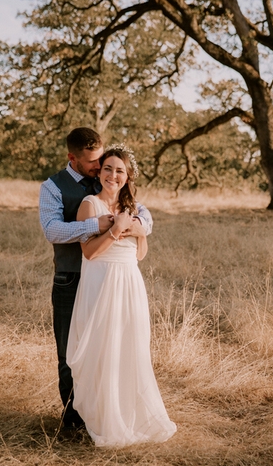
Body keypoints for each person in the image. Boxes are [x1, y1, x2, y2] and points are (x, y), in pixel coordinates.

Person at [39, 128, 153, 431]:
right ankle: (74, 420)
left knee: (109, 347)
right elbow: (52, 230)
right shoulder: (53, 187)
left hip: (112, 280)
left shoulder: (109, 178)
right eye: (94, 162)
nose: (99, 166)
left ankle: (105, 413)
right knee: (71, 352)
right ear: (72, 158)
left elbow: (142, 215)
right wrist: (96, 225)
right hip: (71, 277)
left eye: (101, 160)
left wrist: (141, 225)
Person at [66, 145, 176, 447]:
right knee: (102, 350)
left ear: (127, 177)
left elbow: (140, 255)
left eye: (119, 171)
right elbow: (88, 252)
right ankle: (104, 418)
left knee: (130, 347)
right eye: (108, 169)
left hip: (129, 282)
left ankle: (130, 415)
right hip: (101, 282)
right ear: (100, 172)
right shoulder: (90, 204)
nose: (113, 175)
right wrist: (116, 231)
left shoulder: (134, 209)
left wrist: (139, 232)